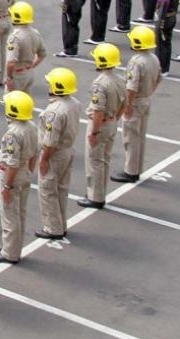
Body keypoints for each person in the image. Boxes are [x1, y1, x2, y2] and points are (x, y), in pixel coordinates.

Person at [0, 91, 38, 264]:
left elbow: (11, 162)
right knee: (21, 212)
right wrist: (29, 171)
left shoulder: (12, 135)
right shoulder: (32, 127)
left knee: (9, 213)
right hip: (25, 171)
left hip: (13, 175)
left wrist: (7, 187)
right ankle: (13, 247)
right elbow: (35, 152)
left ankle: (9, 252)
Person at [77, 44, 126, 209]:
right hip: (111, 122)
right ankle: (100, 192)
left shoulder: (100, 84)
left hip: (101, 124)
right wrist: (115, 118)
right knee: (104, 160)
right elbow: (125, 102)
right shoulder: (120, 79)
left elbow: (97, 111)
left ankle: (95, 196)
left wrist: (94, 132)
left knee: (95, 161)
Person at [35, 68, 81, 240]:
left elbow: (50, 140)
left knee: (48, 191)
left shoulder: (54, 112)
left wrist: (44, 160)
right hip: (68, 150)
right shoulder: (74, 104)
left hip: (55, 154)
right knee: (61, 189)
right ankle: (61, 224)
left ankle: (53, 228)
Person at [111, 26, 161, 183]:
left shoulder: (136, 62)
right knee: (140, 136)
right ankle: (137, 168)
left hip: (137, 101)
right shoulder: (153, 58)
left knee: (131, 137)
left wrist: (127, 106)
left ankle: (130, 171)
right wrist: (148, 92)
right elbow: (158, 78)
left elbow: (131, 88)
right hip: (146, 99)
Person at [4, 1, 46, 94]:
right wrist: (31, 66)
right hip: (29, 73)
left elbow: (11, 62)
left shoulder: (15, 37)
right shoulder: (35, 33)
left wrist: (9, 77)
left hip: (18, 75)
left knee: (12, 104)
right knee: (25, 103)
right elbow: (42, 54)